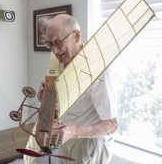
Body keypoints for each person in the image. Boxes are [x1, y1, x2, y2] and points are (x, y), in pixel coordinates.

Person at [40, 14, 118, 164]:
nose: (55, 52)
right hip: (65, 139)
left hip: (89, 144)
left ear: (76, 36)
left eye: (58, 42)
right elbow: (68, 105)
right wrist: (46, 97)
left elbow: (111, 125)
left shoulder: (97, 68)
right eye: (50, 44)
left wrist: (74, 132)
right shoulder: (61, 61)